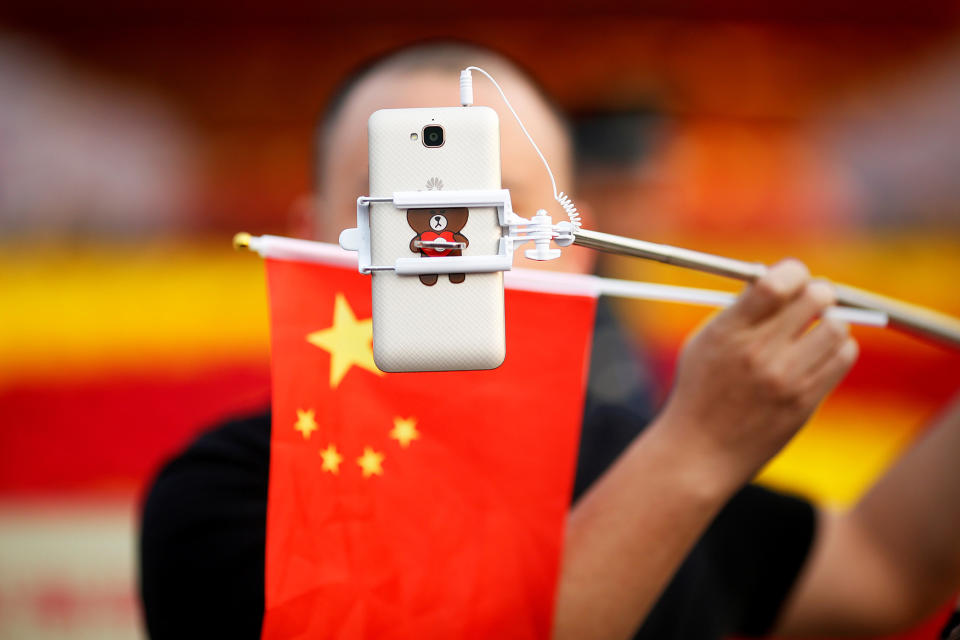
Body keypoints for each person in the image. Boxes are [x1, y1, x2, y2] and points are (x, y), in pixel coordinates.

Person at [140, 42, 960, 639]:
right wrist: (694, 452)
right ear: (314, 237)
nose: (447, 235)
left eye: (497, 203)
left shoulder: (615, 454)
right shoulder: (230, 492)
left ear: (576, 245)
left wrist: (678, 459)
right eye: (398, 197)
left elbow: (879, 567)